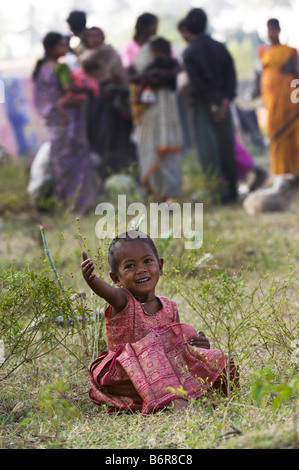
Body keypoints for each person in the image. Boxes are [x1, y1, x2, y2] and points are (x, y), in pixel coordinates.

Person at [81, 231, 239, 414]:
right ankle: (175, 403)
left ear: (160, 266)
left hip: (164, 376)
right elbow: (107, 292)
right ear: (116, 278)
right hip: (124, 376)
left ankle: (209, 395)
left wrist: (197, 348)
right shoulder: (123, 301)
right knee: (151, 346)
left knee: (219, 358)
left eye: (147, 261)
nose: (141, 269)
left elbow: (178, 348)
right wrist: (91, 280)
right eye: (130, 265)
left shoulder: (169, 307)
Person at [32, 32, 98, 213]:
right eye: (61, 45)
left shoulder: (47, 68)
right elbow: (68, 89)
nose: (64, 48)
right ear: (51, 48)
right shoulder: (56, 69)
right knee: (66, 161)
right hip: (63, 121)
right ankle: (72, 202)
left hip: (61, 120)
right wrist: (86, 88)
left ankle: (78, 202)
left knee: (66, 160)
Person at [182, 8, 238, 204]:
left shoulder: (189, 51)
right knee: (226, 149)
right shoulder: (220, 47)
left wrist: (213, 105)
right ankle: (232, 193)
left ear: (188, 27)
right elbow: (231, 78)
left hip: (202, 107)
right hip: (223, 106)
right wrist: (223, 103)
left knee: (208, 152)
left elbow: (197, 83)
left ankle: (216, 193)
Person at [80, 27, 137, 178]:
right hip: (94, 104)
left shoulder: (110, 53)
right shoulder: (84, 57)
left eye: (97, 36)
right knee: (99, 138)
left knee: (116, 137)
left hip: (113, 102)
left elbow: (119, 75)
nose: (95, 39)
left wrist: (109, 81)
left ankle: (125, 170)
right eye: (91, 37)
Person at [259, 18, 299, 175]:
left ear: (279, 31)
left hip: (290, 100)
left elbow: (296, 76)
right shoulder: (263, 51)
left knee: (293, 130)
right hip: (273, 102)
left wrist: (297, 99)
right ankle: (282, 172)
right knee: (276, 133)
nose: (271, 33)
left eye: (273, 29)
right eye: (269, 30)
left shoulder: (290, 52)